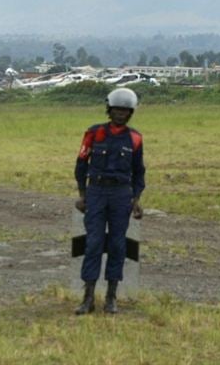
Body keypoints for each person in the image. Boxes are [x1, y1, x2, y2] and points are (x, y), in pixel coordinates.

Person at [73, 87, 145, 315]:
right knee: (93, 244)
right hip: (96, 193)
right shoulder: (94, 134)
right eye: (116, 110)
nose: (120, 114)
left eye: (125, 111)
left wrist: (136, 200)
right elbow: (81, 165)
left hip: (121, 196)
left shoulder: (135, 138)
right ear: (109, 110)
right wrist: (82, 195)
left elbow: (139, 172)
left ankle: (111, 297)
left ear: (130, 113)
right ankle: (88, 298)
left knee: (117, 245)